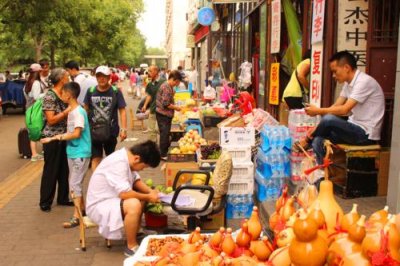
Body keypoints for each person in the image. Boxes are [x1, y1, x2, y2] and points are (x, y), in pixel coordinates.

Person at [296, 51, 385, 181]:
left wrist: (318, 111)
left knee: (328, 119)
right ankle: (324, 174)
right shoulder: (348, 84)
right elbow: (334, 108)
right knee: (318, 139)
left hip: (365, 134)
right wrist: (317, 127)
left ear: (346, 68)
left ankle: (306, 142)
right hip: (353, 129)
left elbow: (344, 109)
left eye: (335, 71)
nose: (333, 76)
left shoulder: (363, 82)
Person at [86, 140, 161, 257]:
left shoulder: (127, 158)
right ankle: (131, 246)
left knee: (141, 196)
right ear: (137, 158)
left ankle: (135, 231)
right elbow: (125, 194)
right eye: (144, 167)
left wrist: (150, 192)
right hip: (99, 205)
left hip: (111, 199)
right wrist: (148, 196)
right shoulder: (118, 162)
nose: (142, 170)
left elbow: (136, 180)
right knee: (134, 204)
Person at [41, 82, 91, 227]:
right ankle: (83, 210)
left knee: (74, 184)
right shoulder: (73, 111)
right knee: (75, 184)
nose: (61, 95)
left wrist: (55, 137)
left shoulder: (78, 113)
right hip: (74, 152)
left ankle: (77, 216)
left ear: (68, 95)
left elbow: (76, 133)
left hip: (80, 152)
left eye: (62, 93)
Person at [39, 68, 72, 212]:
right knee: (51, 170)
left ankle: (63, 198)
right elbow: (51, 120)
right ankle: (45, 201)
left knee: (64, 169)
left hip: (64, 137)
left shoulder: (64, 93)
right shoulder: (50, 96)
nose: (69, 78)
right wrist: (66, 111)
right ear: (61, 79)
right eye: (67, 76)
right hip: (51, 139)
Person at [84, 65, 127, 171]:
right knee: (95, 159)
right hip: (94, 131)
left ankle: (109, 182)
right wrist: (83, 129)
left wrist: (124, 129)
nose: (101, 79)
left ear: (109, 78)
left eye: (104, 76)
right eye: (99, 76)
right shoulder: (90, 91)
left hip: (111, 131)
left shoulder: (116, 91)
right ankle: (97, 184)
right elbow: (85, 110)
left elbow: (122, 111)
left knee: (110, 159)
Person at [155, 70, 182, 160]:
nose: (177, 84)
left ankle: (163, 152)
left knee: (165, 134)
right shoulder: (166, 87)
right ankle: (163, 154)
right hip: (163, 114)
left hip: (163, 114)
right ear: (174, 80)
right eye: (177, 82)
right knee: (164, 134)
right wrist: (176, 108)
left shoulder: (168, 86)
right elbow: (165, 103)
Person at [24, 63, 46, 161]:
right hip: (36, 110)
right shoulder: (36, 83)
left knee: (33, 131)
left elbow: (27, 96)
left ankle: (34, 154)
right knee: (42, 129)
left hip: (29, 109)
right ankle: (39, 153)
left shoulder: (27, 83)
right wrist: (46, 93)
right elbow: (37, 97)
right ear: (38, 72)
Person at [141, 65, 165, 141]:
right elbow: (149, 95)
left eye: (150, 71)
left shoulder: (163, 82)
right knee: (151, 132)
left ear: (156, 72)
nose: (148, 73)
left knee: (161, 131)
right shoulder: (150, 84)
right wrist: (144, 105)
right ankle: (153, 149)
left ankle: (162, 148)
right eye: (148, 71)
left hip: (162, 111)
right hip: (153, 110)